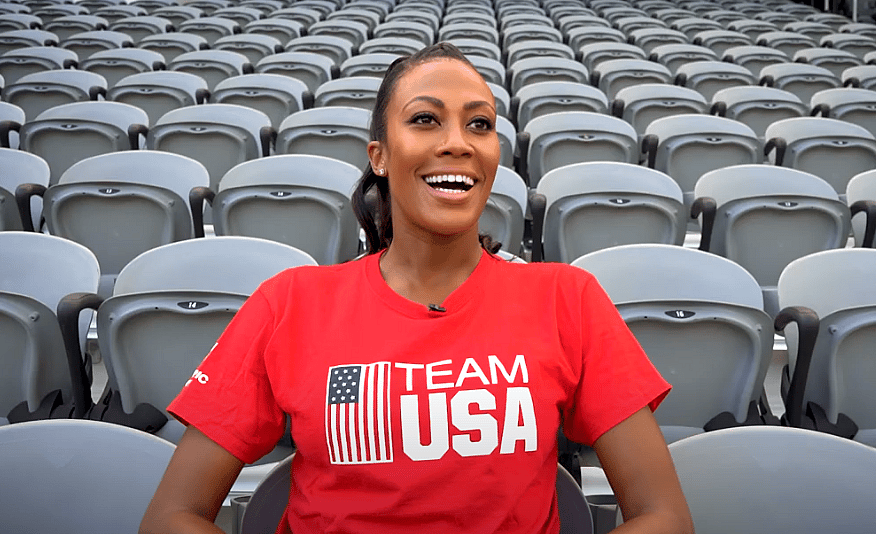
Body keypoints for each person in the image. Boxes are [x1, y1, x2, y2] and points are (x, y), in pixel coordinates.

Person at [140, 42, 694, 534]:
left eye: (480, 124)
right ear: (379, 156)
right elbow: (171, 516)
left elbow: (664, 515)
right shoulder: (289, 303)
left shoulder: (567, 299)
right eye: (425, 119)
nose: (458, 143)